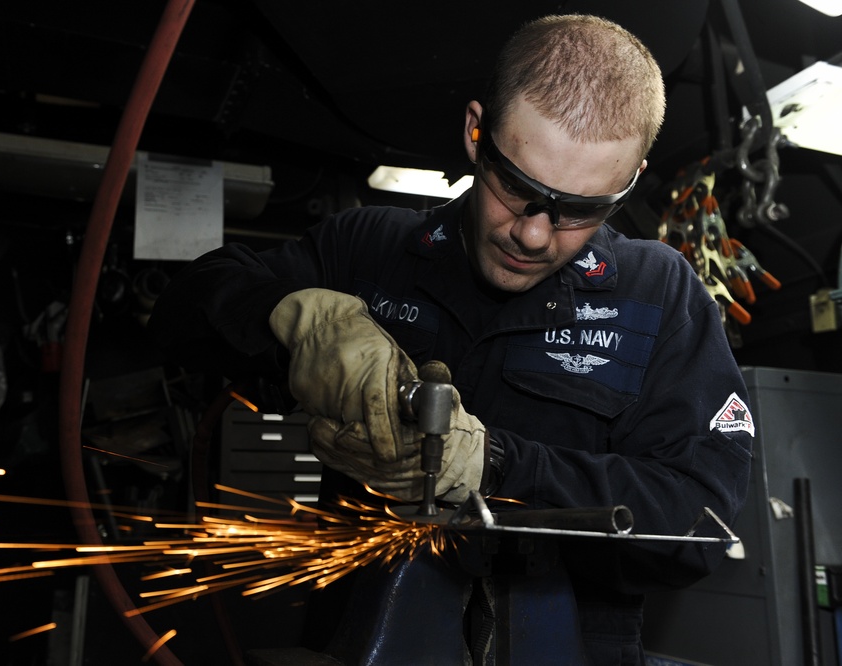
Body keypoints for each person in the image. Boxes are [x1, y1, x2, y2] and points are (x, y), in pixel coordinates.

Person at [148, 14, 754, 665]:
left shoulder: (658, 294)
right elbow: (181, 312)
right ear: (475, 132)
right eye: (517, 188)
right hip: (359, 638)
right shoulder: (369, 248)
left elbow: (699, 528)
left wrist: (496, 467)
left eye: (580, 209)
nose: (534, 234)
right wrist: (290, 317)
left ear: (630, 179)